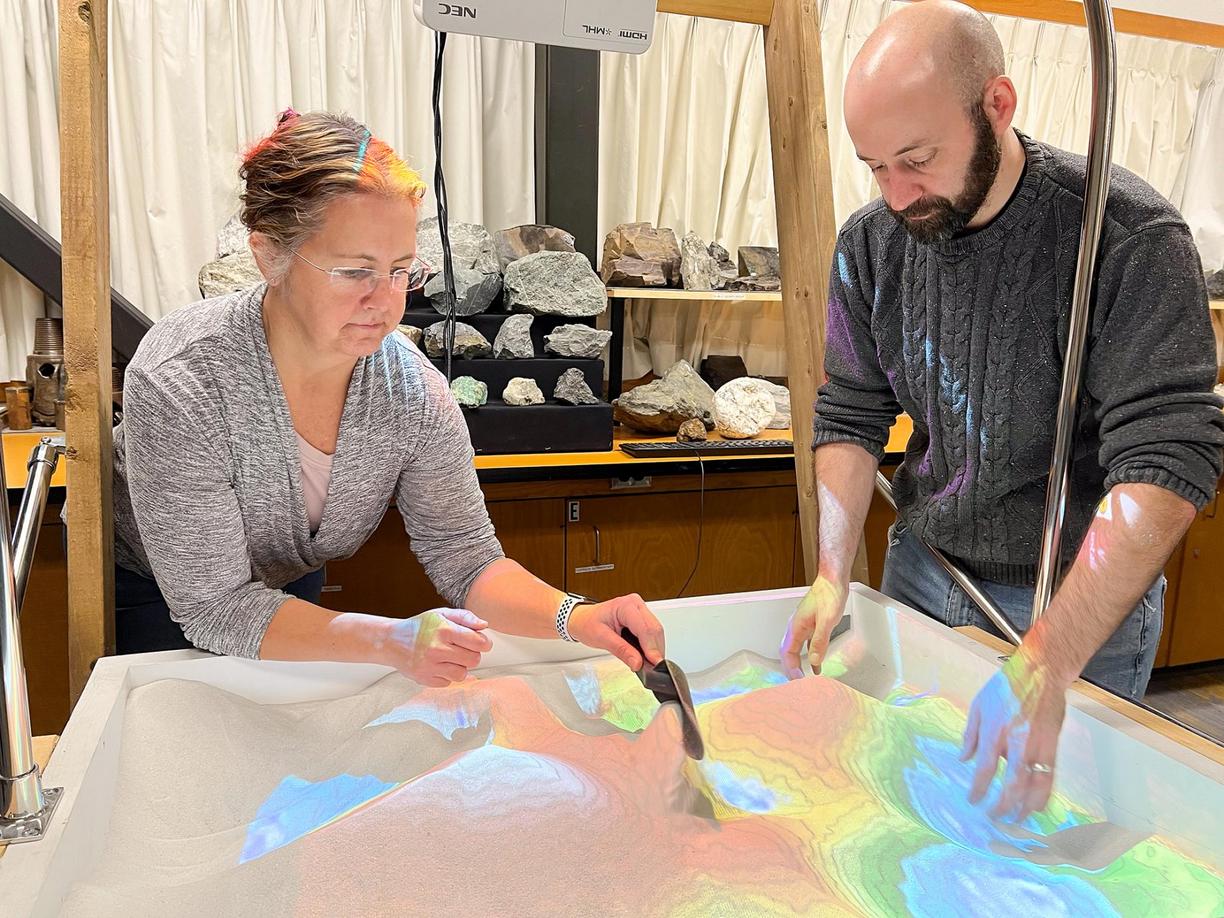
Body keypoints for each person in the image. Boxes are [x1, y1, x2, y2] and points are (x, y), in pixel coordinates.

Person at [779, 0, 1224, 822]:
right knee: (909, 810)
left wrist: (1048, 659)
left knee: (1042, 838)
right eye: (874, 165)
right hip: (922, 570)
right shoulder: (871, 242)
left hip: (1069, 600)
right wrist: (830, 574)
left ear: (998, 105)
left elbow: (1169, 457)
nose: (896, 193)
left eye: (916, 158)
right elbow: (849, 408)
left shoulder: (1124, 236)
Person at [112, 109, 665, 684]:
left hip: (282, 589)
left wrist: (577, 616)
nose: (385, 301)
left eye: (402, 270)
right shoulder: (184, 376)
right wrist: (390, 639)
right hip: (154, 591)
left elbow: (467, 555)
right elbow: (216, 607)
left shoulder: (409, 391)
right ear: (269, 254)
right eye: (355, 271)